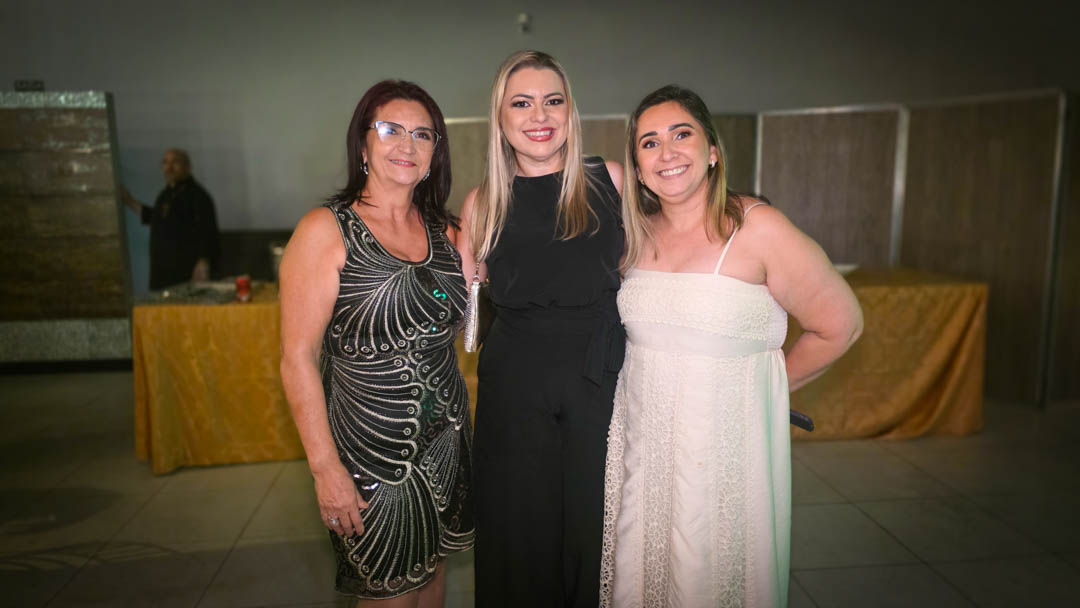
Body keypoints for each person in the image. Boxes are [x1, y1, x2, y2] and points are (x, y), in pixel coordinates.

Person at [599, 86, 863, 607]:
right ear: (639, 168)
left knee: (710, 576)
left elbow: (840, 325)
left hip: (724, 453)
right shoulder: (633, 234)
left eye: (681, 134)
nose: (667, 152)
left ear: (713, 151)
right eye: (649, 143)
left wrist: (764, 396)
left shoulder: (758, 227)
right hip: (643, 453)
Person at [279, 80, 473, 607]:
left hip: (447, 444)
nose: (407, 144)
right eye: (390, 130)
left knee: (433, 582)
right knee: (389, 593)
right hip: (369, 455)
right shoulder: (326, 230)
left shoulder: (447, 232)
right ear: (363, 145)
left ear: (435, 152)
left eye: (422, 134)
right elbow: (297, 358)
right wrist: (325, 469)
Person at [457, 50, 625, 607]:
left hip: (599, 380)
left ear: (570, 111)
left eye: (553, 101)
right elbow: (465, 301)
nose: (539, 116)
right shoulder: (482, 204)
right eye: (521, 103)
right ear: (500, 118)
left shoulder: (611, 181)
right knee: (518, 537)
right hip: (514, 386)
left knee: (596, 532)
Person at [122, 148, 220, 289]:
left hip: (184, 270)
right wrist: (130, 201)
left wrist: (203, 261)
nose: (169, 167)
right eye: (165, 163)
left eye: (175, 162)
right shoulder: (165, 195)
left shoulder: (198, 196)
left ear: (187, 167)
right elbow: (158, 218)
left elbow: (208, 231)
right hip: (161, 270)